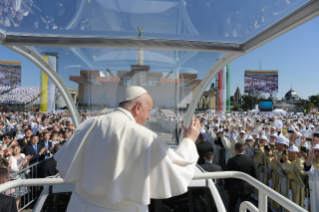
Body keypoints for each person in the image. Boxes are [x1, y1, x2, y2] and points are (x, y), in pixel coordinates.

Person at [54, 86, 200, 212]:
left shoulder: (89, 124)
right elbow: (176, 171)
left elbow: (63, 168)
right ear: (138, 107)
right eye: (148, 110)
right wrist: (189, 140)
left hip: (80, 206)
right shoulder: (145, 137)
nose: (149, 117)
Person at [224, 143, 257, 212]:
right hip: (246, 188)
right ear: (244, 150)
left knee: (232, 206)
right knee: (247, 206)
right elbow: (254, 175)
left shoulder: (231, 160)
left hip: (233, 187)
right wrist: (253, 187)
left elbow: (228, 175)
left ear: (235, 150)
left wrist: (226, 187)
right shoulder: (250, 160)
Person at [304, 143, 319, 212]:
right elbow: (308, 170)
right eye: (315, 151)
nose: (317, 153)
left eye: (318, 151)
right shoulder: (314, 169)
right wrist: (309, 160)